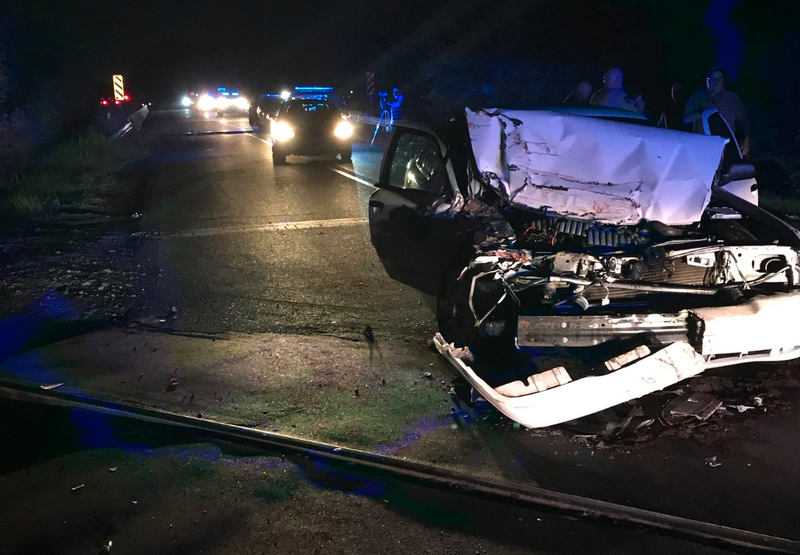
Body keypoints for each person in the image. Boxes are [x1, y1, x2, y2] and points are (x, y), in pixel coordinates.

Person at [682, 68, 751, 155]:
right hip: (700, 146)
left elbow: (743, 119)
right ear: (706, 80)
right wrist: (701, 112)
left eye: (718, 78)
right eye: (711, 78)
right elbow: (685, 119)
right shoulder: (697, 97)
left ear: (723, 81)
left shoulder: (732, 97)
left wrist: (746, 140)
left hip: (725, 146)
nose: (715, 81)